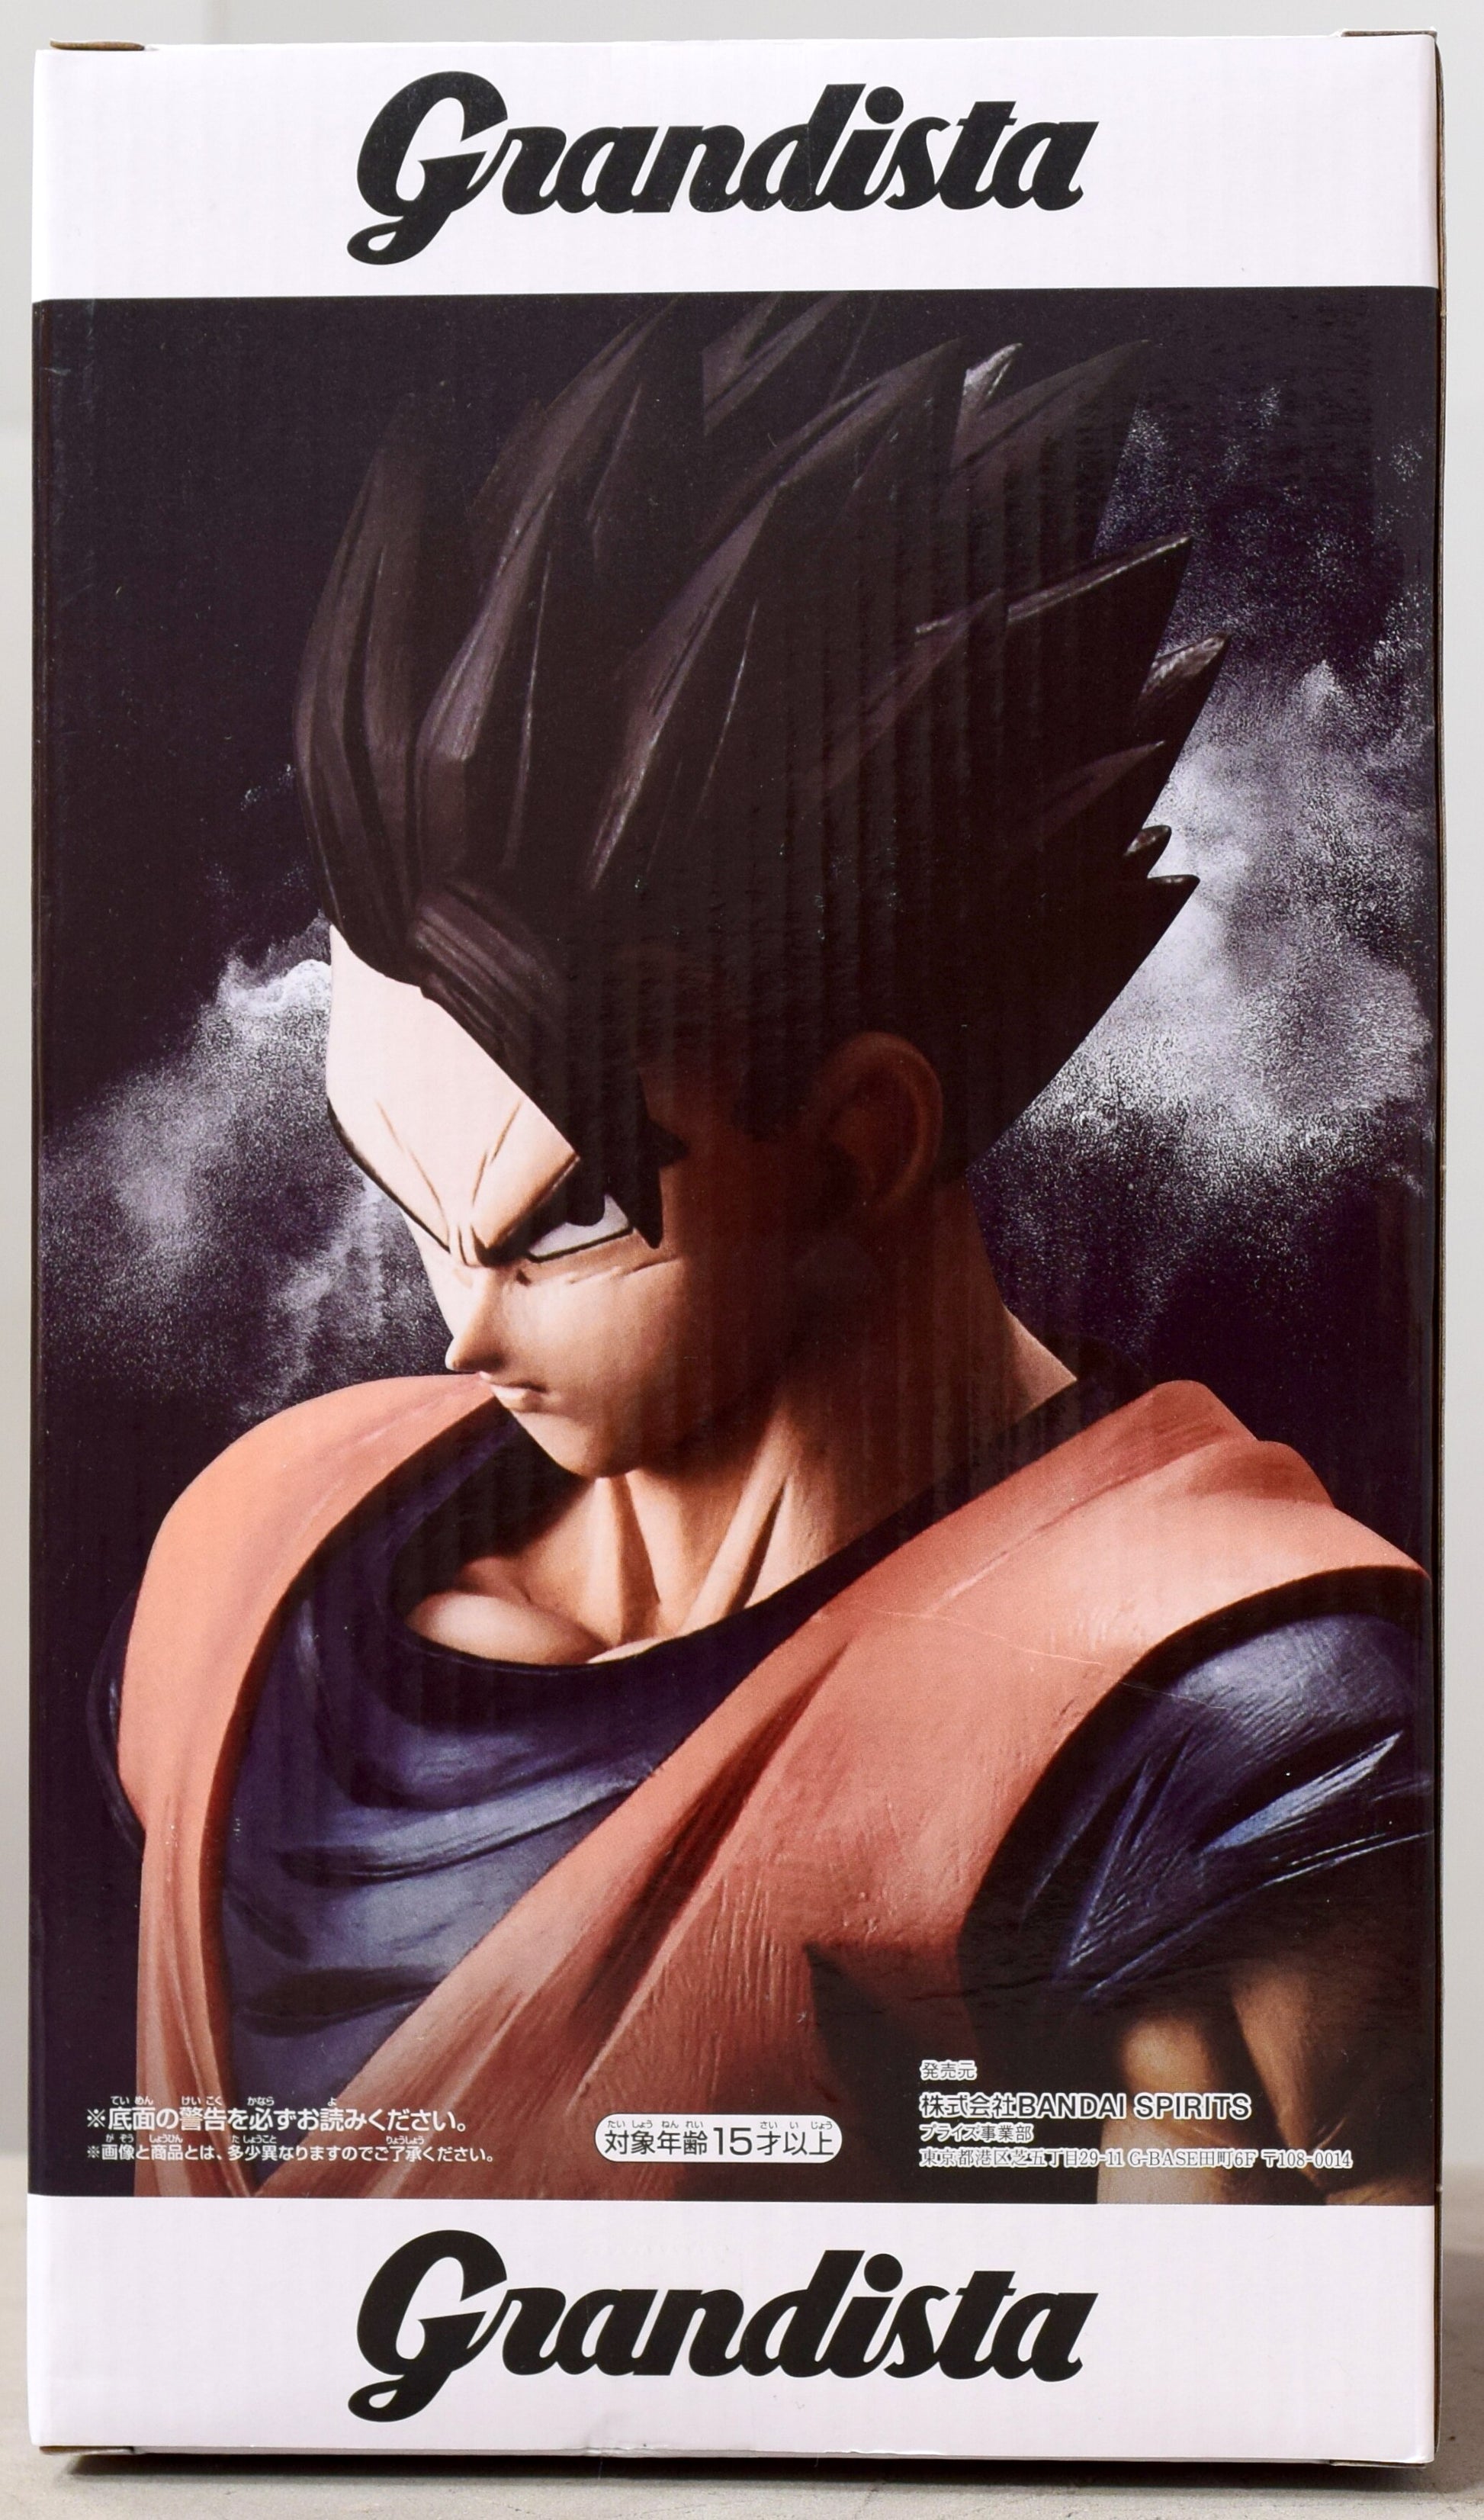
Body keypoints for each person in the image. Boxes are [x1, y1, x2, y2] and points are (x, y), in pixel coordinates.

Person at [104, 298, 1433, 2207]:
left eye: (557, 1228)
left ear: (861, 1140)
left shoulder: (1206, 1729)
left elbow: (1260, 2374)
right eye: (407, 1204)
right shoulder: (253, 1556)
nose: (456, 1326)